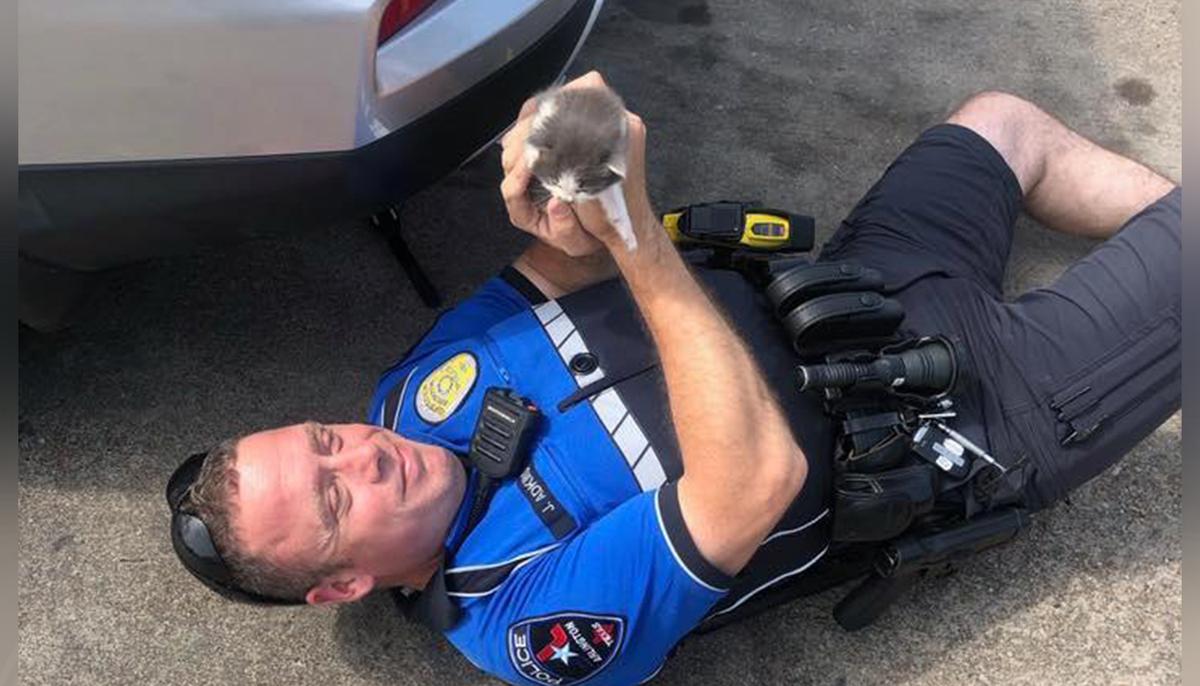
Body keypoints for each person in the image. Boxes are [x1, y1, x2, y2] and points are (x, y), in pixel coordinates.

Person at [167, 71, 1181, 685]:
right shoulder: (524, 621)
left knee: (1000, 122)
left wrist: (572, 177)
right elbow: (755, 481)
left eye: (326, 439)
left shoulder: (410, 394)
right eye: (336, 499)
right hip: (974, 411)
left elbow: (554, 270)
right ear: (345, 583)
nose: (365, 454)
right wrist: (637, 234)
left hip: (855, 284)